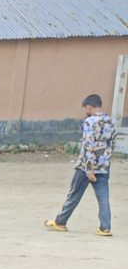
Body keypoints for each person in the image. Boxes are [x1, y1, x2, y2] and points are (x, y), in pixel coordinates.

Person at [45, 93, 115, 237]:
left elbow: (89, 146)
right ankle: (105, 227)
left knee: (74, 195)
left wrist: (89, 169)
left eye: (86, 109)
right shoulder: (111, 121)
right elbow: (112, 145)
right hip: (103, 166)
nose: (85, 112)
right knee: (103, 197)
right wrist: (105, 162)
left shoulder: (90, 122)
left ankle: (60, 222)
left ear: (89, 107)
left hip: (85, 167)